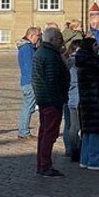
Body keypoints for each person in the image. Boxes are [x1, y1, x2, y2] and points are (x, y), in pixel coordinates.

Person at [32, 28, 70, 177]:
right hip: (51, 100)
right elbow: (52, 80)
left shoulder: (42, 52)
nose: (62, 42)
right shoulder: (50, 56)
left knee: (44, 132)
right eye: (60, 39)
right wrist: (59, 99)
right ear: (53, 39)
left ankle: (42, 164)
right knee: (49, 133)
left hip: (43, 98)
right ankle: (45, 165)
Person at [76, 37, 99, 170]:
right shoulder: (91, 60)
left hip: (87, 100)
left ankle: (85, 158)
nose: (98, 47)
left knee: (88, 131)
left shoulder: (83, 59)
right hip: (95, 99)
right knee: (97, 130)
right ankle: (96, 160)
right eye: (96, 45)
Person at [16, 27, 41, 139]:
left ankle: (23, 130)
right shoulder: (27, 48)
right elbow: (29, 67)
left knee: (28, 106)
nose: (38, 39)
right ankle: (23, 131)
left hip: (28, 81)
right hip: (30, 81)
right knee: (28, 106)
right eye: (37, 36)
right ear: (32, 36)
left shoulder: (28, 47)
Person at [64, 40, 82, 162]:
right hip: (78, 98)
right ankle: (76, 149)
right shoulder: (78, 63)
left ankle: (70, 149)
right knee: (77, 127)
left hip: (68, 97)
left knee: (69, 126)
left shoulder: (66, 62)